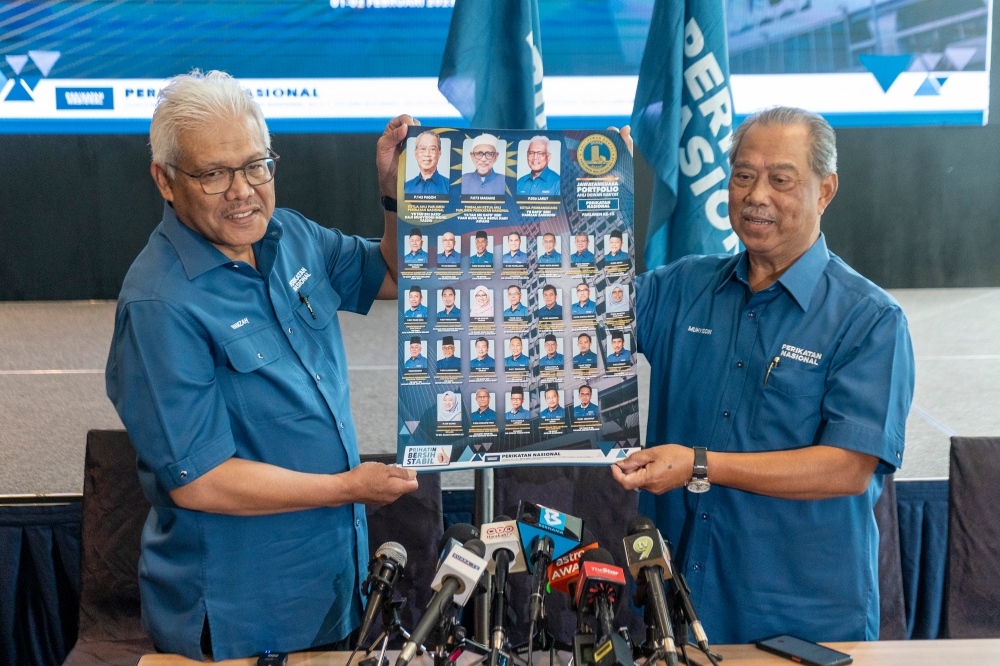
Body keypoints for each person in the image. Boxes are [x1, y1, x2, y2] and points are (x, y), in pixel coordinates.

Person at [105, 70, 418, 660]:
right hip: (240, 615)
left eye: (256, 165)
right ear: (165, 181)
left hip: (331, 587)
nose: (244, 189)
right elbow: (201, 479)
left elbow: (393, 274)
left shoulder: (289, 235)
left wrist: (394, 195)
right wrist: (346, 488)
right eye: (215, 173)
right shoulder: (160, 304)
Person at [612, 108, 915, 644]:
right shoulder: (682, 288)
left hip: (803, 622)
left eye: (781, 179)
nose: (756, 195)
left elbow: (846, 468)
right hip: (673, 615)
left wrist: (699, 465)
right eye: (744, 175)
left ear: (825, 190)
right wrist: (592, 189)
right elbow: (565, 309)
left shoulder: (869, 319)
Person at [404, 130, 450, 195]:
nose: (427, 154)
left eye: (432, 149)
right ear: (415, 153)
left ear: (439, 154)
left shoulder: (449, 186)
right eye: (422, 149)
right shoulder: (406, 187)